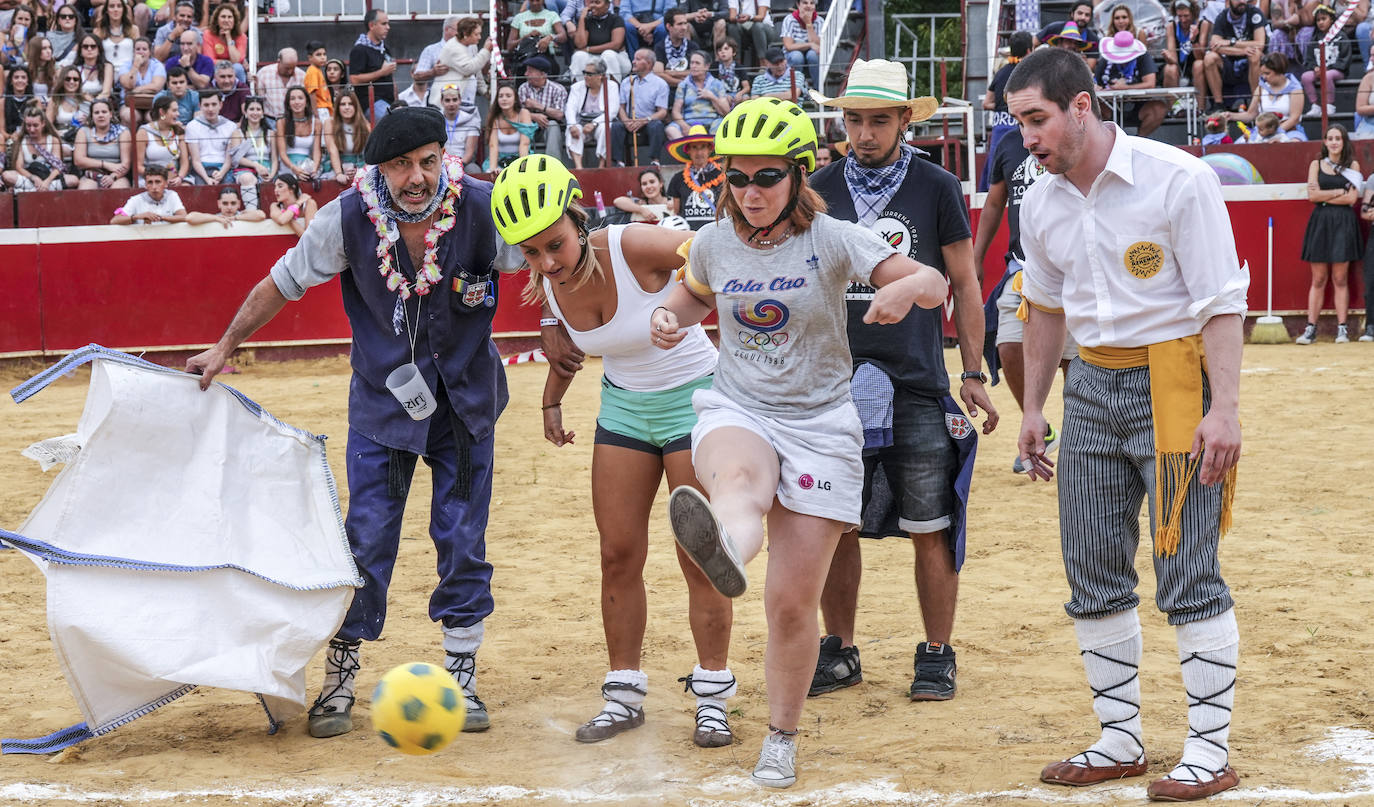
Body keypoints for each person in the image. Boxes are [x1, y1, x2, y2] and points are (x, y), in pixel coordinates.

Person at [184, 105, 515, 743]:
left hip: (467, 402)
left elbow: (547, 262)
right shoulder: (342, 219)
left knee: (463, 537)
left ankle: (462, 674)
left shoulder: (485, 207)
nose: (415, 177)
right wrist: (225, 346)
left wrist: (557, 333)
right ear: (380, 169)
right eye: (399, 165)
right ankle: (341, 675)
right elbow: (281, 284)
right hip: (382, 408)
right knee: (363, 542)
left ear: (442, 155)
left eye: (425, 161)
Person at [649, 96, 949, 789]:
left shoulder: (835, 238)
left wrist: (906, 294)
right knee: (738, 485)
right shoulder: (716, 239)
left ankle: (781, 735)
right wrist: (670, 314)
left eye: (766, 178)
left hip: (820, 425)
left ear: (797, 176)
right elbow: (694, 292)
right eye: (737, 177)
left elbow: (930, 281)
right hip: (740, 404)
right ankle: (723, 543)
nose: (749, 192)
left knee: (790, 604)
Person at [1005, 46, 1247, 802]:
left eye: (1036, 119)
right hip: (1091, 390)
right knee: (1092, 566)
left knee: (1187, 571)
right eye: (1017, 124)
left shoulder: (1179, 178)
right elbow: (1043, 308)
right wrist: (1035, 405)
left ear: (1082, 106)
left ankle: (1209, 749)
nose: (1027, 139)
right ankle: (1120, 738)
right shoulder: (1039, 200)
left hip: (1175, 386)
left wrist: (1226, 408)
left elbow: (1220, 302)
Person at [490, 154, 739, 748]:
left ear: (579, 220)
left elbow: (717, 256)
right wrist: (552, 402)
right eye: (531, 253)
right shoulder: (549, 285)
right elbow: (569, 354)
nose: (548, 262)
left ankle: (713, 695)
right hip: (623, 409)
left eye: (555, 245)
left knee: (699, 553)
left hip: (694, 402)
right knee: (617, 555)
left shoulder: (629, 244)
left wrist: (717, 331)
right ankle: (624, 693)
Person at [806, 59, 993, 704]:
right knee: (835, 522)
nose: (863, 133)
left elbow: (964, 283)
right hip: (831, 382)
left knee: (931, 522)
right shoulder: (817, 186)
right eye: (853, 119)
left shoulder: (937, 186)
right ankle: (840, 648)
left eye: (878, 120)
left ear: (906, 120)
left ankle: (937, 652)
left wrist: (971, 371)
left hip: (915, 378)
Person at [973, 99, 1077, 474]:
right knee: (1008, 346)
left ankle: (1082, 438)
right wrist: (976, 258)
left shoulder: (1075, 138)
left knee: (1072, 360)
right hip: (1022, 266)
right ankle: (1038, 423)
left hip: (1074, 266)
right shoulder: (1005, 144)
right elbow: (994, 203)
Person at [1296, 124, 1361, 344]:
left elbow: (1351, 199)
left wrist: (1324, 195)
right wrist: (1337, 192)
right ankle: (1311, 328)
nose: (1334, 142)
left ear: (1344, 142)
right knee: (1319, 278)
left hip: (1343, 221)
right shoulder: (1316, 164)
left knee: (1340, 278)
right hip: (1321, 222)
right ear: (1325, 142)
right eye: (1330, 138)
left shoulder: (1353, 165)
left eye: (1338, 138)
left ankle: (1342, 328)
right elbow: (1312, 196)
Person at [982, 30, 1032, 190]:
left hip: (1000, 126)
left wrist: (1003, 106)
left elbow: (986, 103)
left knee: (994, 172)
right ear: (1030, 50)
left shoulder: (1001, 73)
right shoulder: (1031, 73)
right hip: (1021, 127)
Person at [1198, 0, 1266, 113]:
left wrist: (1231, 42)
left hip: (1250, 64)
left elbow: (1260, 44)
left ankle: (1256, 103)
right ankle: (1219, 104)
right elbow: (1215, 45)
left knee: (1255, 54)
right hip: (1229, 63)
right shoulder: (1222, 17)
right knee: (1210, 58)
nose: (1242, 1)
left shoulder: (1255, 13)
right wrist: (1242, 51)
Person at [1221, 52, 1307, 140]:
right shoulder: (1261, 88)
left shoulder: (1295, 89)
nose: (1264, 77)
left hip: (1289, 131)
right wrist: (1230, 115)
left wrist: (1274, 133)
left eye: (1267, 73)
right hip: (1261, 132)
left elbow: (1294, 119)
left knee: (1292, 143)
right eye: (1262, 73)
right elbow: (1250, 114)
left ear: (1279, 71)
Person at [1095, 31, 1166, 136]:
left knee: (1159, 108)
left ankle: (1140, 140)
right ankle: (1107, 139)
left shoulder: (1143, 57)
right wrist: (1096, 87)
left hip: (1139, 105)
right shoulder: (1106, 58)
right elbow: (1097, 82)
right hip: (1109, 106)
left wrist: (1125, 87)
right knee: (1093, 108)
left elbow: (1150, 83)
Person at [611, 48, 668, 165]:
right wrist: (626, 121)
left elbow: (662, 112)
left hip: (648, 121)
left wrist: (645, 120)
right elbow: (621, 107)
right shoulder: (627, 82)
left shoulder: (660, 84)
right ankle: (619, 162)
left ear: (648, 63)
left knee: (657, 126)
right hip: (630, 122)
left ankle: (655, 161)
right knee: (616, 126)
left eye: (638, 59)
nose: (633, 62)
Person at [2, 101, 76, 190]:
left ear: (43, 124)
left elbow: (57, 167)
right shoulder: (22, 141)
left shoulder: (53, 140)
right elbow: (19, 167)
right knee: (7, 175)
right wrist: (34, 178)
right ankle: (40, 189)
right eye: (28, 125)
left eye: (35, 125)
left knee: (73, 180)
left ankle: (31, 190)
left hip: (50, 178)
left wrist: (47, 182)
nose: (32, 129)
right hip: (30, 177)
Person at [665, 124, 724, 229]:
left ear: (710, 149)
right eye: (694, 147)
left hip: (716, 232)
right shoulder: (678, 179)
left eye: (703, 147)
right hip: (688, 234)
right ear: (688, 150)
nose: (699, 152)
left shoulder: (723, 175)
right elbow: (676, 212)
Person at [565, 57, 619, 168]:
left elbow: (612, 111)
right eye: (584, 73)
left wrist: (594, 123)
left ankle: (602, 165)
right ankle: (579, 167)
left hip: (601, 121)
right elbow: (570, 108)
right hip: (582, 121)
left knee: (606, 128)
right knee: (572, 130)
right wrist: (572, 125)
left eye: (589, 74)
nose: (585, 77)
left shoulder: (612, 86)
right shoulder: (577, 87)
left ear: (600, 75)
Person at [1301, 4, 1350, 117]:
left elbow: (1344, 58)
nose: (1321, 22)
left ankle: (1329, 105)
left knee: (1327, 75)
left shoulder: (1341, 37)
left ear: (1332, 19)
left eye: (1324, 19)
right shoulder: (1314, 39)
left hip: (1336, 71)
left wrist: (1327, 68)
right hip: (1319, 70)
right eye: (1318, 20)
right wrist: (1315, 67)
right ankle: (1315, 105)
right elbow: (1309, 59)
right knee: (1305, 77)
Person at [431, 17, 490, 110]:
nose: (480, 37)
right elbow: (469, 69)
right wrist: (486, 50)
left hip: (459, 102)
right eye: (476, 34)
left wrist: (484, 90)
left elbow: (476, 72)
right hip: (443, 104)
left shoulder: (467, 46)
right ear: (466, 34)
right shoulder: (454, 48)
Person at [517, 55, 567, 163]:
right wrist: (534, 116)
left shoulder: (558, 89)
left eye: (530, 71)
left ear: (543, 74)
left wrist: (538, 106)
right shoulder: (523, 88)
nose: (526, 74)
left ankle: (553, 165)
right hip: (529, 128)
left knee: (553, 124)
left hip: (547, 129)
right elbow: (516, 114)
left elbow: (559, 114)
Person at [74, 96, 132, 189]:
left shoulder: (123, 132)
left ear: (111, 114)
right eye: (96, 113)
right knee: (86, 190)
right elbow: (79, 160)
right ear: (92, 116)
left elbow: (126, 164)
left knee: (118, 190)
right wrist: (106, 164)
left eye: (104, 112)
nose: (100, 115)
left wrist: (112, 177)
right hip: (92, 175)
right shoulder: (83, 131)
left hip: (117, 175)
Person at [668, 52, 729, 139]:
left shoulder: (717, 84)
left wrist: (712, 97)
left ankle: (713, 151)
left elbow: (726, 112)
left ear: (707, 66)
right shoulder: (683, 85)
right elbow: (676, 111)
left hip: (712, 121)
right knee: (671, 129)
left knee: (721, 126)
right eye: (692, 63)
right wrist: (684, 126)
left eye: (697, 63)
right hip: (689, 122)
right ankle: (686, 150)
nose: (693, 66)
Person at [349, 9, 396, 121]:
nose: (388, 27)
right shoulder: (359, 49)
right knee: (392, 121)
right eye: (384, 24)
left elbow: (391, 77)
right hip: (371, 103)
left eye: (388, 23)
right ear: (371, 25)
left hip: (389, 101)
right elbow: (354, 79)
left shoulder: (385, 48)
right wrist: (382, 72)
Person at [185, 89, 240, 185]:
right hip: (201, 169)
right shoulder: (192, 126)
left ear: (220, 105)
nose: (210, 109)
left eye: (214, 104)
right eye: (206, 105)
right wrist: (207, 179)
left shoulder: (230, 126)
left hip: (223, 168)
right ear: (200, 106)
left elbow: (229, 159)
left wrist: (220, 174)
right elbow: (195, 160)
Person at [570, 0, 632, 81]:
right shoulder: (587, 20)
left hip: (618, 58)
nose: (593, 5)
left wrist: (588, 49)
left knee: (608, 54)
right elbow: (580, 44)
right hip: (593, 58)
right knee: (579, 56)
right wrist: (582, 19)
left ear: (607, 5)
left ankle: (612, 89)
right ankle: (580, 91)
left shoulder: (616, 19)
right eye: (591, 2)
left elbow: (616, 45)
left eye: (597, 2)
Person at [276, 85, 324, 187]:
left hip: (307, 165)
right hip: (288, 167)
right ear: (288, 104)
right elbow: (282, 153)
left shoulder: (316, 123)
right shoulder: (282, 122)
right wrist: (294, 168)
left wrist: (314, 169)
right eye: (292, 99)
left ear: (306, 102)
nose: (297, 102)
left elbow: (317, 150)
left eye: (300, 98)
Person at [138, 92, 187, 184]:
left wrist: (180, 177)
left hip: (175, 180)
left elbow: (185, 162)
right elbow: (138, 166)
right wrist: (159, 179)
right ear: (162, 112)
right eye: (174, 111)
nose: (178, 114)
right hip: (151, 181)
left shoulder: (178, 131)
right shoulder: (143, 132)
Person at [111, 163, 186, 222]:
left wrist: (161, 218)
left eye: (158, 182)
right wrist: (136, 217)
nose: (154, 187)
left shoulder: (172, 195)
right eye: (150, 182)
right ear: (145, 185)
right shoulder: (136, 200)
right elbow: (115, 220)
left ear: (166, 183)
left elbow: (184, 217)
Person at [234, 94, 274, 206]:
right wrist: (256, 165)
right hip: (246, 170)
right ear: (245, 113)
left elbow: (275, 159)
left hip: (267, 170)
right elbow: (237, 158)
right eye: (251, 109)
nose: (255, 112)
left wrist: (272, 174)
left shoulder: (271, 134)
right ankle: (252, 212)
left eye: (258, 109)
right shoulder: (238, 133)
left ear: (262, 113)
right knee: (247, 178)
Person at [484, 83, 533, 171]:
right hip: (499, 160)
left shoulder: (524, 114)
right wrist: (493, 169)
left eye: (508, 96)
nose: (504, 99)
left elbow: (524, 144)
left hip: (521, 158)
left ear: (515, 99)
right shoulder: (494, 116)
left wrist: (523, 169)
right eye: (501, 96)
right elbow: (493, 146)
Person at [1038, 0, 1102, 64]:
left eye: (1087, 15)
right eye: (1080, 13)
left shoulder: (1093, 39)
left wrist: (1082, 63)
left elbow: (1090, 67)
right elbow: (1034, 43)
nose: (1083, 17)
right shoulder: (1053, 28)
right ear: (1072, 14)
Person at [327, 89, 368, 186]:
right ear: (337, 107)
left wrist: (360, 171)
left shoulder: (365, 125)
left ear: (356, 106)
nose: (347, 107)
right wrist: (339, 173)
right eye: (343, 104)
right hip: (336, 167)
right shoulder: (330, 123)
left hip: (359, 167)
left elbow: (369, 154)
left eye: (350, 104)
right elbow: (332, 150)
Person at [119, 36, 166, 122]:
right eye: (138, 49)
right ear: (133, 52)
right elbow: (128, 85)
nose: (141, 52)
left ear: (149, 52)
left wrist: (137, 89)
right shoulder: (126, 65)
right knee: (130, 116)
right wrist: (136, 66)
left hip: (153, 103)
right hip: (129, 103)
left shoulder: (157, 65)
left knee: (152, 117)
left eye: (144, 49)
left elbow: (156, 87)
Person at [779, 0, 822, 91]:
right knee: (797, 56)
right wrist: (810, 44)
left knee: (813, 55)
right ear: (798, 4)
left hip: (811, 54)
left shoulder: (819, 21)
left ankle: (818, 91)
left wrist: (808, 23)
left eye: (812, 3)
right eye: (805, 3)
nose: (809, 6)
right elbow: (789, 46)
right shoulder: (789, 19)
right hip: (793, 54)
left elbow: (818, 46)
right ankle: (798, 90)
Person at [653, 8, 698, 92]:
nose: (684, 28)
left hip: (690, 92)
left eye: (685, 23)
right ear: (669, 26)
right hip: (667, 91)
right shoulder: (659, 47)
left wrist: (673, 73)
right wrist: (684, 82)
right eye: (680, 24)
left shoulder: (693, 46)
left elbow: (698, 72)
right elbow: (659, 74)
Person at [507, 0, 565, 66]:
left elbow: (563, 36)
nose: (535, 3)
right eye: (532, 1)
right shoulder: (519, 17)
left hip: (546, 55)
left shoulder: (552, 15)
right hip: (525, 56)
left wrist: (550, 37)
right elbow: (510, 46)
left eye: (538, 0)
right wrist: (525, 38)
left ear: (543, 1)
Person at [254, 48, 305, 121]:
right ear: (279, 61)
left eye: (293, 67)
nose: (290, 71)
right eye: (287, 68)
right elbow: (259, 98)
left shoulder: (302, 76)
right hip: (269, 119)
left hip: (293, 120)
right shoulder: (264, 73)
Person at [724, 0, 778, 67]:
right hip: (743, 28)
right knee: (732, 27)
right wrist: (738, 18)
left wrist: (750, 17)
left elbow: (761, 17)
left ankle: (763, 64)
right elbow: (732, 17)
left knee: (757, 26)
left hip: (764, 29)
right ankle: (736, 64)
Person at [199, 2, 243, 82]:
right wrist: (229, 62)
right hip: (214, 68)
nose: (226, 20)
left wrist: (229, 38)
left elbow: (237, 60)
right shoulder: (208, 34)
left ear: (234, 20)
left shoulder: (241, 36)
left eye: (230, 17)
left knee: (238, 68)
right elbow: (210, 60)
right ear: (217, 20)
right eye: (223, 17)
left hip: (233, 69)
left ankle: (241, 93)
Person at [95, 0, 141, 76]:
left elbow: (138, 53)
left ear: (123, 10)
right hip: (106, 73)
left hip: (128, 73)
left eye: (119, 6)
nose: (115, 9)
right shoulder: (98, 31)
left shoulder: (134, 30)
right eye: (112, 6)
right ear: (106, 10)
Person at [187, 184, 267, 226]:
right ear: (219, 204)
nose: (229, 207)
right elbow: (190, 218)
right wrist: (215, 218)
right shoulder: (215, 217)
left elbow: (261, 215)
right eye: (225, 203)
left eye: (233, 203)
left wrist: (235, 218)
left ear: (239, 204)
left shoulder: (243, 215)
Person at [268, 171, 316, 236]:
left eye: (280, 186)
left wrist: (288, 217)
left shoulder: (309, 203)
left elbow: (309, 237)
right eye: (275, 187)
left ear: (292, 188)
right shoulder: (274, 206)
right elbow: (282, 220)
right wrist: (297, 204)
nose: (275, 190)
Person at [1163, 0, 1197, 90]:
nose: (1183, 20)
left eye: (1186, 16)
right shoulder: (1171, 26)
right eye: (1179, 16)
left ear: (1193, 13)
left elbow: (1200, 56)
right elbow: (1173, 58)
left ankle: (1200, 104)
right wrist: (1168, 57)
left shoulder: (1200, 24)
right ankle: (1174, 104)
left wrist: (1194, 39)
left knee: (1199, 65)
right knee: (1170, 68)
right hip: (1179, 67)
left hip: (1194, 64)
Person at [72, 33, 114, 103]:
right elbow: (75, 91)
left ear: (99, 50)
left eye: (93, 46)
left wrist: (94, 102)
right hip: (80, 104)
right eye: (85, 46)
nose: (89, 49)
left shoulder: (107, 67)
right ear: (80, 51)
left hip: (101, 105)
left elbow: (106, 92)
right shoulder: (75, 68)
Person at [48, 66, 88, 136]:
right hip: (61, 137)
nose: (72, 82)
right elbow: (48, 123)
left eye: (75, 79)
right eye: (68, 79)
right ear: (62, 81)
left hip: (82, 137)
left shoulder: (86, 99)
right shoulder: (54, 100)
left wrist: (88, 122)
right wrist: (56, 134)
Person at [710, 36, 750, 103]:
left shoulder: (739, 67)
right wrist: (724, 95)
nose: (723, 52)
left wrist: (740, 94)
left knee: (746, 98)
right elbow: (712, 85)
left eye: (726, 49)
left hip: (737, 93)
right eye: (720, 50)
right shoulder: (714, 66)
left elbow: (747, 87)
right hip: (721, 94)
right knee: (724, 99)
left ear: (734, 52)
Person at [302, 40, 331, 118]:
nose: (322, 57)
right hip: (319, 109)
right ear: (310, 57)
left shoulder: (317, 70)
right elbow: (312, 94)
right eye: (318, 55)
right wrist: (316, 115)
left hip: (323, 108)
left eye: (324, 54)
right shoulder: (312, 71)